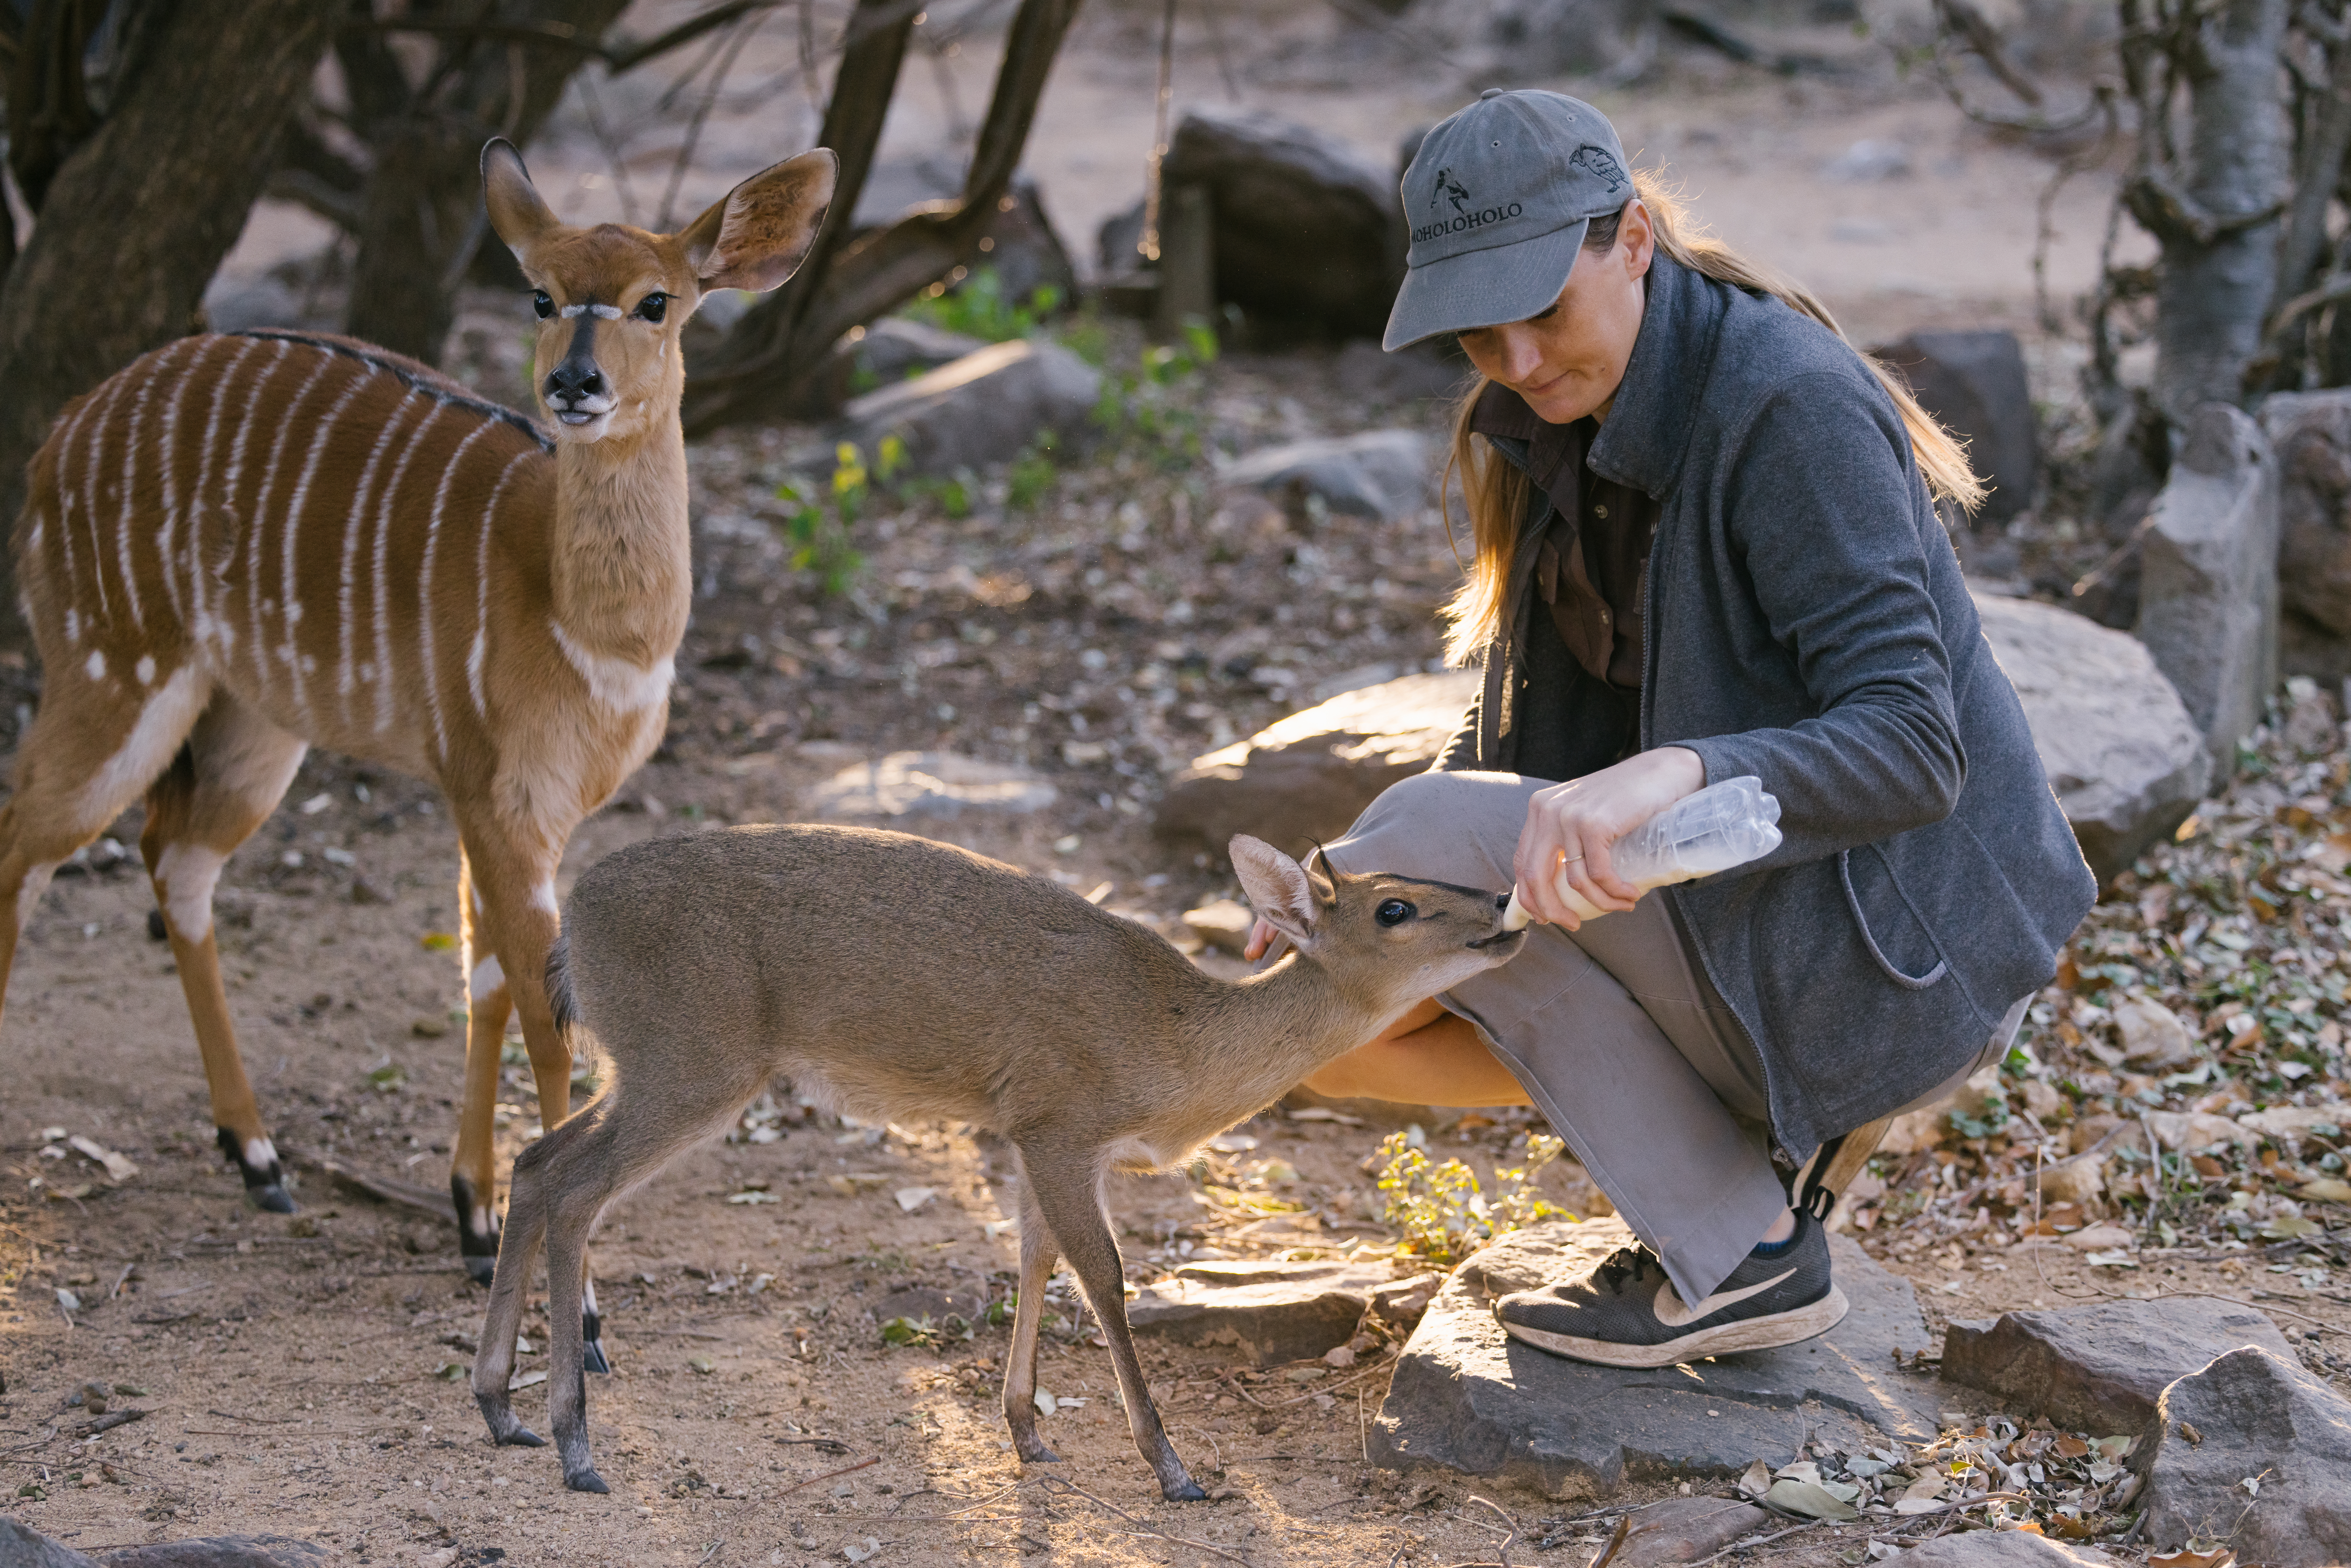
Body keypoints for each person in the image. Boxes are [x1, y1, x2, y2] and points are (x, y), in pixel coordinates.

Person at [1246, 89, 2096, 1368]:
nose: (1520, 363)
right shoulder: (1534, 423)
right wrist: (1347, 907)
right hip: (1747, 926)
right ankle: (1732, 1211)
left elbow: (1915, 747)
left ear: (1631, 238)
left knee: (1433, 845)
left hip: (1892, 969)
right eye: (1480, 335)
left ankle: (1745, 1246)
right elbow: (1502, 754)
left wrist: (1665, 769)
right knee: (1324, 1024)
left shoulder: (1785, 405)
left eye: (1543, 311)